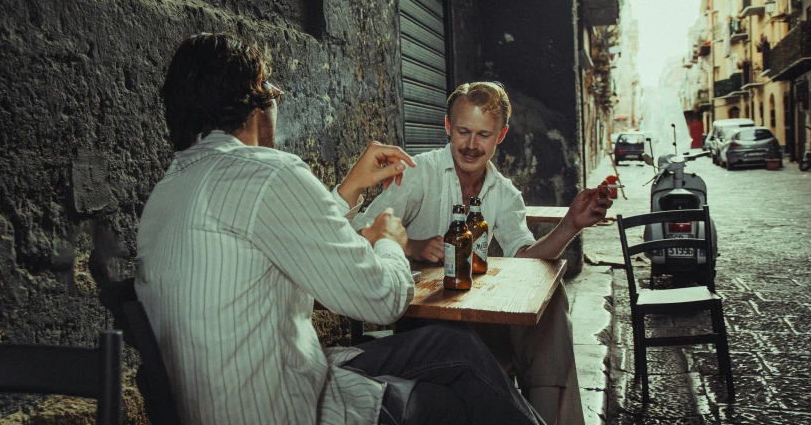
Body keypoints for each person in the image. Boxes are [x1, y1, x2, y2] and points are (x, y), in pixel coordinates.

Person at [134, 33, 544, 425]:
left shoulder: (168, 190)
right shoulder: (267, 173)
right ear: (254, 101)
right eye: (272, 91)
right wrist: (389, 242)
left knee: (452, 345)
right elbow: (382, 301)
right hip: (282, 403)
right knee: (450, 397)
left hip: (226, 394)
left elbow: (286, 247)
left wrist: (348, 190)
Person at [352, 81, 614, 425]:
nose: (472, 145)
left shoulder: (504, 193)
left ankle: (551, 417)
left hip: (477, 320)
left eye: (484, 135)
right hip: (424, 322)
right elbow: (359, 229)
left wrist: (570, 225)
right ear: (448, 127)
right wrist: (410, 245)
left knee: (551, 302)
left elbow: (524, 259)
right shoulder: (419, 174)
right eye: (463, 131)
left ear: (501, 135)